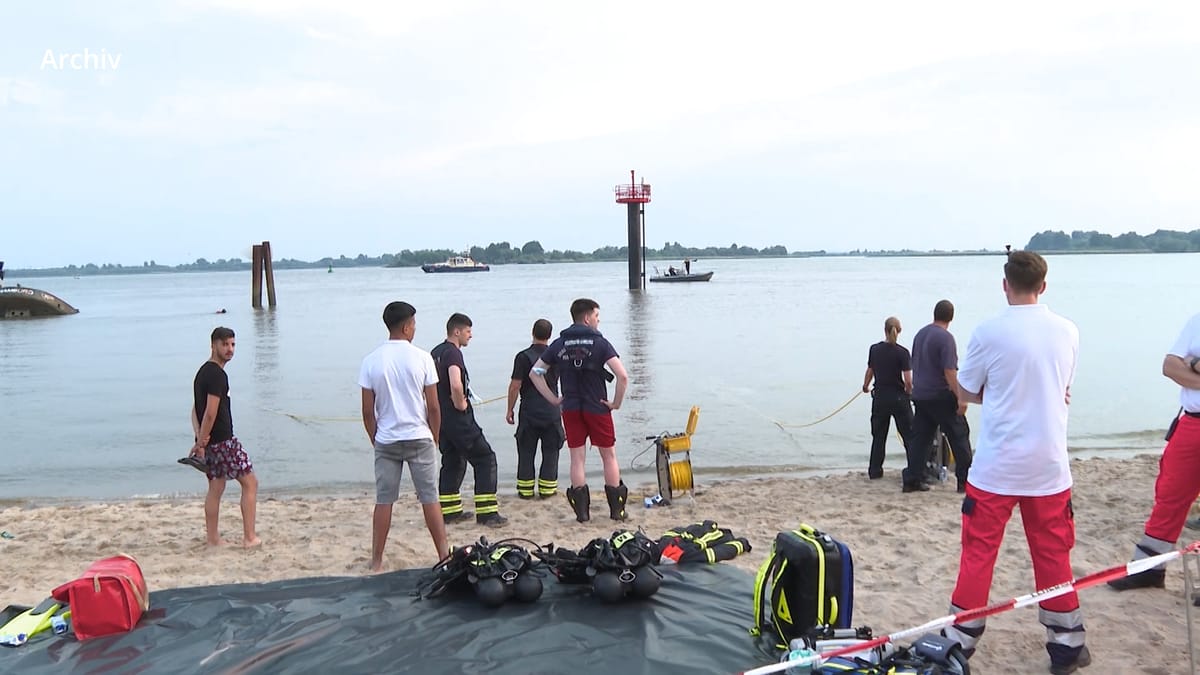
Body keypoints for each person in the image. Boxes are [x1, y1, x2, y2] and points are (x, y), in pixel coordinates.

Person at [943, 251, 1086, 674]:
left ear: (1005, 285)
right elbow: (1062, 389)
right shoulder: (1068, 331)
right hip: (1048, 466)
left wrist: (1000, 394)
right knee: (1053, 554)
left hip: (997, 467)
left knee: (979, 553)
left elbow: (965, 392)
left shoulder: (988, 332)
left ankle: (960, 641)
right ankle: (1066, 644)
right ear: (1043, 286)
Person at [1107, 312, 1200, 593]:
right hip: (1192, 421)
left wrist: (1193, 365)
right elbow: (1170, 366)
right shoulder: (1197, 321)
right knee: (1169, 494)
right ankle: (1149, 570)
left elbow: (1181, 366)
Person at [358, 301, 448, 570]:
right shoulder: (422, 358)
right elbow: (433, 406)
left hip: (387, 438)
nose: (415, 329)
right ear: (407, 326)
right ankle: (443, 555)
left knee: (384, 500)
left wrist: (375, 438)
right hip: (419, 435)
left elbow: (366, 410)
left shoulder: (371, 360)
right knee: (430, 498)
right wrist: (435, 436)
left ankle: (376, 561)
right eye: (414, 325)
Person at [531, 298, 630, 522]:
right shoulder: (601, 343)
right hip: (598, 406)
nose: (598, 320)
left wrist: (553, 399)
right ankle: (616, 511)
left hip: (571, 408)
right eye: (597, 316)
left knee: (577, 458)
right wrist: (616, 403)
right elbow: (622, 376)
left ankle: (583, 514)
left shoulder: (559, 343)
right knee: (609, 456)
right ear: (587, 318)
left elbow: (535, 372)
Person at [432, 313, 507, 527]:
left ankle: (450, 511)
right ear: (456, 331)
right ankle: (487, 514)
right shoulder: (453, 354)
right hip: (458, 418)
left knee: (453, 460)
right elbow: (456, 383)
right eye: (468, 331)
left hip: (441, 418)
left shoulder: (435, 353)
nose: (470, 335)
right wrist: (460, 404)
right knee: (485, 458)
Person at [190, 326, 260, 548]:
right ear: (213, 345)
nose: (230, 349)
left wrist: (199, 439)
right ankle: (249, 537)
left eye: (233, 345)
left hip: (210, 442)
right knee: (250, 483)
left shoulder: (202, 372)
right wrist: (201, 441)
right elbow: (209, 412)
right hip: (223, 442)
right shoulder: (217, 375)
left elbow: (194, 411)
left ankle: (213, 539)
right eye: (225, 345)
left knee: (216, 488)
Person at [904, 300, 973, 493]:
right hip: (940, 395)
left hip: (921, 394)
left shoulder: (920, 334)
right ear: (951, 317)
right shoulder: (946, 338)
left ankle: (913, 478)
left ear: (934, 313)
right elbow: (949, 371)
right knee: (959, 436)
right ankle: (964, 481)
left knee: (921, 439)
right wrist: (961, 397)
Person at [506, 318, 565, 499]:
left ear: (533, 332)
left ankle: (525, 491)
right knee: (551, 452)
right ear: (549, 335)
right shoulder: (556, 356)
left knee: (526, 452)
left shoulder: (523, 357)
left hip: (529, 411)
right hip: (551, 410)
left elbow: (515, 386)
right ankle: (547, 491)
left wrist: (510, 409)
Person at [862, 316, 914, 480]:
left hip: (880, 398)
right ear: (898, 331)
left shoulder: (874, 349)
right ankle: (914, 468)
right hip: (899, 398)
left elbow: (870, 370)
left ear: (885, 330)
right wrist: (909, 392)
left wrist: (865, 386)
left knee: (879, 436)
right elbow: (908, 380)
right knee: (909, 436)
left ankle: (875, 471)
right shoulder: (903, 352)